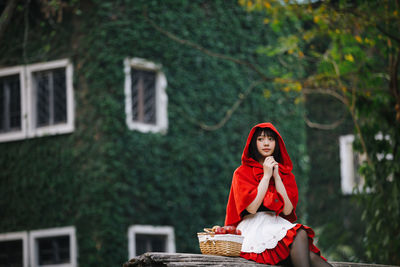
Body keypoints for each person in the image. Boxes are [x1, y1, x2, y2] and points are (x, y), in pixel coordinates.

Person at [225, 122, 332, 267]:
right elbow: (252, 208)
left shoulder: (285, 174)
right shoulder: (241, 172)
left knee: (307, 248)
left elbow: (287, 210)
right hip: (254, 227)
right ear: (253, 143)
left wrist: (276, 176)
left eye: (270, 139)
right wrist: (266, 176)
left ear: (277, 143)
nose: (266, 143)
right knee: (302, 239)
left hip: (276, 224)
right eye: (260, 139)